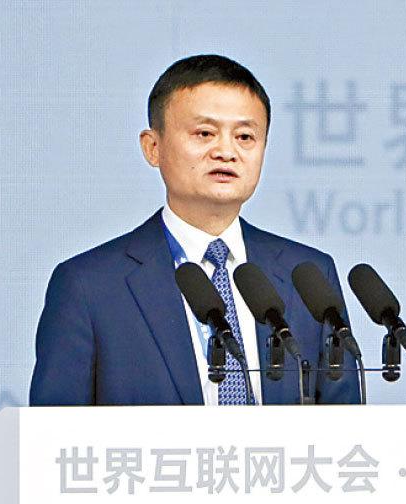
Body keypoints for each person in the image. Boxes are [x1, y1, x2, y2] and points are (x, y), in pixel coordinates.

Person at [29, 54, 361, 406]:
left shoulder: (308, 277)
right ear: (153, 147)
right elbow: (52, 432)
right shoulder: (88, 286)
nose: (226, 152)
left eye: (245, 136)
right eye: (205, 133)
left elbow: (345, 423)